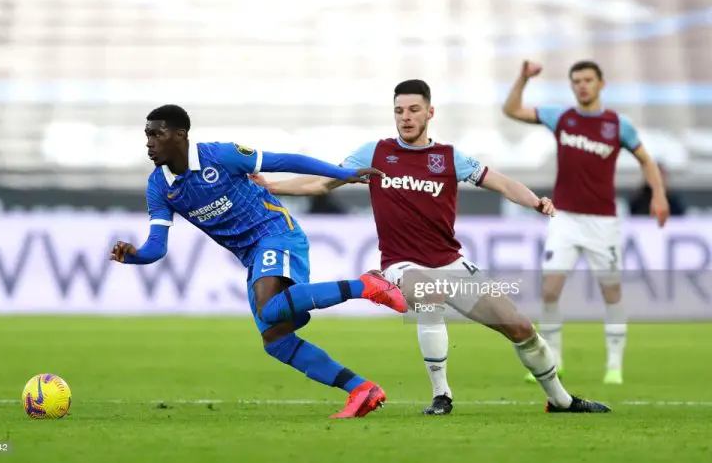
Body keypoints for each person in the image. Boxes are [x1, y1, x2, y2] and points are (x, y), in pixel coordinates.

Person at [251, 80, 611, 415]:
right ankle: (442, 394)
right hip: (400, 264)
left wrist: (535, 202)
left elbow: (500, 182)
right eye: (399, 111)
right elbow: (321, 183)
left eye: (413, 110)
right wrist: (273, 186)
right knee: (429, 292)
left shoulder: (449, 158)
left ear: (429, 113)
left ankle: (560, 401)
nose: (405, 118)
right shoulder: (375, 153)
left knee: (520, 328)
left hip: (451, 262)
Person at [109, 104, 409, 419]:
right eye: (147, 135)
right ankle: (362, 389)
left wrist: (342, 174)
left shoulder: (221, 155)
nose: (149, 142)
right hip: (252, 256)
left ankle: (366, 285)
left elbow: (284, 160)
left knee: (270, 307)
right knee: (275, 340)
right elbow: (157, 247)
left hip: (277, 232)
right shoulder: (159, 186)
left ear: (180, 134)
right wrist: (134, 256)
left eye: (157, 133)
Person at [502, 60, 670, 385]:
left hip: (603, 222)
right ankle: (553, 359)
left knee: (611, 292)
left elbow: (646, 160)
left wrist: (658, 194)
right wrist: (522, 78)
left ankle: (614, 366)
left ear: (601, 84)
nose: (582, 85)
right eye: (577, 80)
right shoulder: (561, 117)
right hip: (564, 218)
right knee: (550, 290)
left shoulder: (618, 125)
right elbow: (512, 110)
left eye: (588, 80)